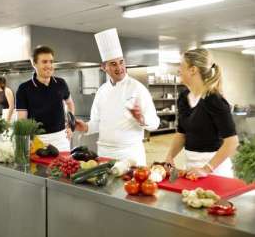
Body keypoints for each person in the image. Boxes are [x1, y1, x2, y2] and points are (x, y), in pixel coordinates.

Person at [75, 28, 160, 165]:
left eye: (121, 62)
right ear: (104, 67)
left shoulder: (138, 88)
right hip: (104, 154)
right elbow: (96, 123)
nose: (119, 67)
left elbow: (155, 123)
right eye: (113, 64)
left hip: (130, 155)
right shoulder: (102, 91)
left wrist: (141, 118)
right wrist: (84, 127)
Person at [165, 48, 239, 178]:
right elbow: (181, 133)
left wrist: (206, 169)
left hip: (215, 170)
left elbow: (232, 142)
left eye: (181, 66)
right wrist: (170, 156)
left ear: (193, 70)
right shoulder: (183, 97)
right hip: (190, 167)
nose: (178, 70)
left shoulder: (214, 99)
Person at [16, 46, 75, 151]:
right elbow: (22, 120)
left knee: (64, 167)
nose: (49, 65)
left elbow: (70, 103)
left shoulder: (61, 83)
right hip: (38, 141)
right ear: (34, 64)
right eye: (44, 62)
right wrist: (26, 140)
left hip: (61, 138)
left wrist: (71, 126)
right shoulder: (24, 88)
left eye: (51, 62)